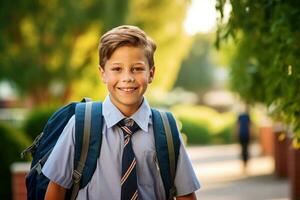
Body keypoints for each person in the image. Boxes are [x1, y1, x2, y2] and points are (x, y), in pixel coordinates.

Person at [42, 25, 200, 200]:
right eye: (117, 69)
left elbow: (185, 194)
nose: (128, 78)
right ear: (102, 74)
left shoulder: (166, 129)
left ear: (151, 73)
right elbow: (56, 189)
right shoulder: (81, 125)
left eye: (137, 68)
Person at [236, 106, 251, 173]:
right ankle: (245, 163)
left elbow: (237, 126)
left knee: (244, 149)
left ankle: (245, 163)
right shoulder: (244, 116)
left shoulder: (243, 116)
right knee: (244, 149)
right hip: (244, 134)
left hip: (243, 135)